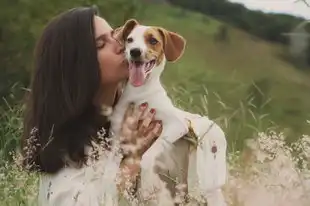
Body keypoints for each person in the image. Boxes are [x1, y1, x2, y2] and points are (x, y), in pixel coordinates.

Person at [21, 6, 228, 206]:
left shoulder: (137, 111)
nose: (121, 45)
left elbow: (201, 129)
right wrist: (131, 160)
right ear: (78, 67)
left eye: (115, 35)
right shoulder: (64, 162)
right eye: (102, 44)